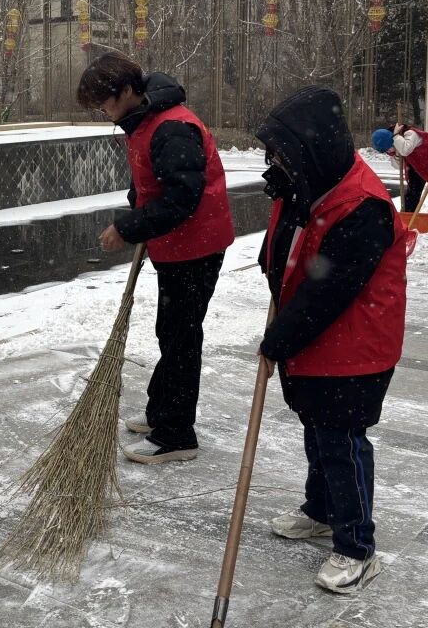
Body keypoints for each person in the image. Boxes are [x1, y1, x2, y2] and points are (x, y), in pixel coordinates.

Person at [256, 86, 405, 595]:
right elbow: (280, 250)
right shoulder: (307, 184)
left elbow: (329, 292)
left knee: (340, 441)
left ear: (313, 149)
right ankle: (321, 511)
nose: (276, 164)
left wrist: (277, 340)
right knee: (316, 430)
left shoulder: (362, 207)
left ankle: (357, 547)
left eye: (283, 154)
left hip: (355, 345)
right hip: (315, 341)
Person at [76, 53, 234, 465]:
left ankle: (176, 435)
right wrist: (138, 209)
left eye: (105, 102)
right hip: (176, 244)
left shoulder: (172, 127)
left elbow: (181, 198)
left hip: (195, 247)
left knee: (181, 339)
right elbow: (149, 181)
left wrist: (128, 227)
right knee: (172, 332)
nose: (104, 111)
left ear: (128, 91)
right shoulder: (145, 121)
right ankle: (161, 412)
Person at [370, 122, 428, 233]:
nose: (389, 151)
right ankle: (408, 221)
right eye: (386, 151)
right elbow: (397, 165)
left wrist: (396, 137)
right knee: (412, 193)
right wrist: (395, 153)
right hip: (418, 165)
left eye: (389, 148)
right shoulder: (397, 143)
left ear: (391, 140)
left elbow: (405, 150)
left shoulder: (410, 134)